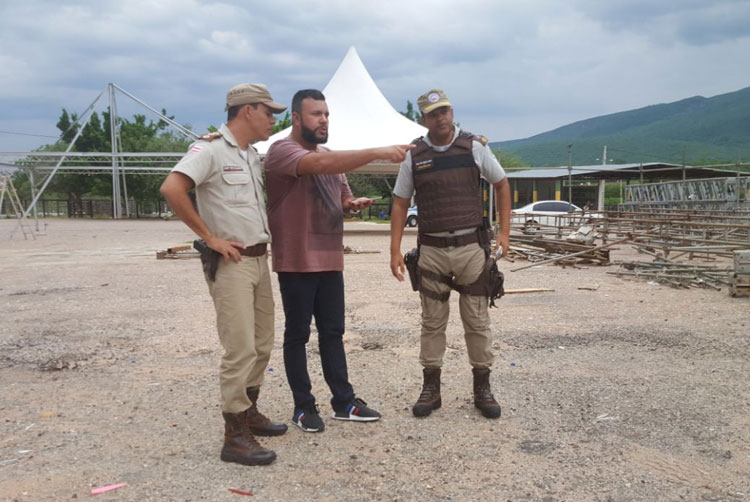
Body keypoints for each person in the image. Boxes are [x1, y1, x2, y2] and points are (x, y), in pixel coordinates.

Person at [264, 89, 412, 433]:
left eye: (327, 114)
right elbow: (318, 165)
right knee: (297, 334)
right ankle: (303, 407)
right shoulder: (282, 151)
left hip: (330, 259)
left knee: (333, 332)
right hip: (297, 261)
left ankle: (343, 402)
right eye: (316, 114)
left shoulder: (331, 157)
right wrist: (377, 152)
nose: (323, 120)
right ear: (297, 118)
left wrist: (351, 203)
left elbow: (340, 192)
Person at [160, 83, 288, 466]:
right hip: (231, 263)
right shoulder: (211, 150)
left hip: (257, 260)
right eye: (269, 112)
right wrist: (209, 237)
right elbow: (172, 188)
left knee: (263, 342)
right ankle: (234, 437)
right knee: (240, 348)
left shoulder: (250, 155)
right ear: (247, 111)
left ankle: (248, 413)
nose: (272, 120)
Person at [389, 88, 511, 420]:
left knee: (477, 320)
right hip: (432, 250)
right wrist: (394, 249)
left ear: (452, 112)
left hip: (471, 248)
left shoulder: (473, 146)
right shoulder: (414, 155)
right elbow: (401, 202)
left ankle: (482, 389)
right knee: (432, 322)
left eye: (446, 111)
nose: (442, 117)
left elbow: (501, 183)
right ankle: (431, 389)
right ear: (423, 118)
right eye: (434, 113)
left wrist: (504, 232)